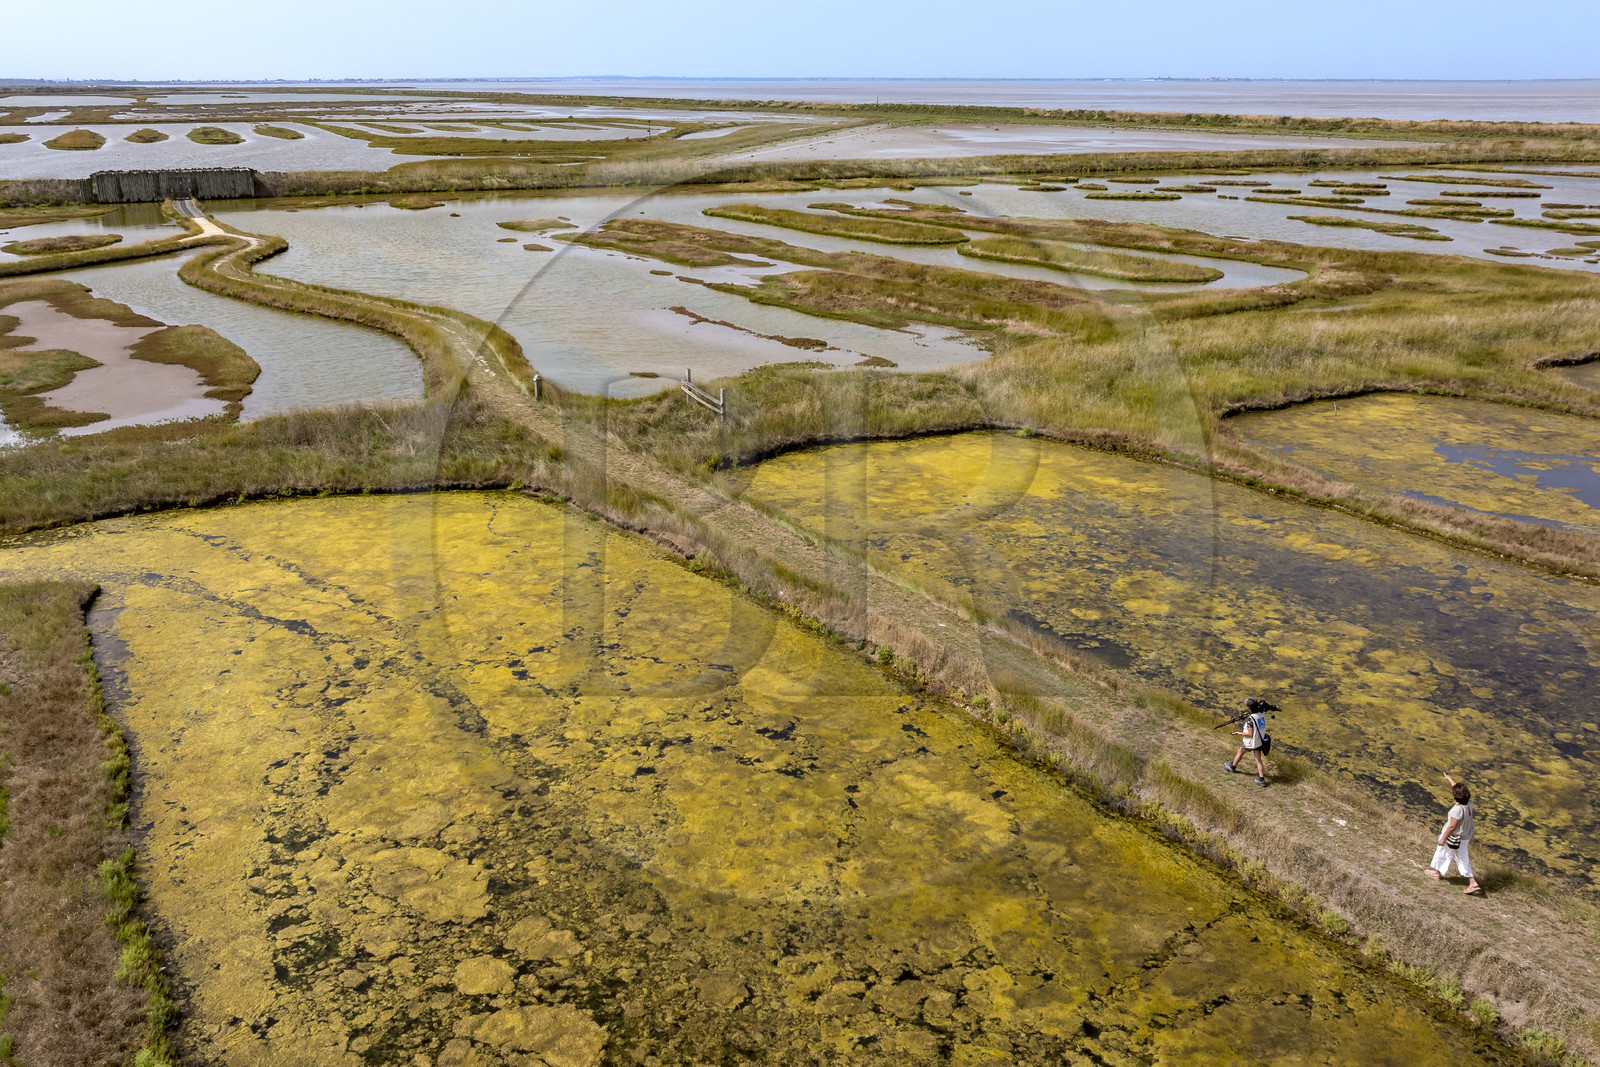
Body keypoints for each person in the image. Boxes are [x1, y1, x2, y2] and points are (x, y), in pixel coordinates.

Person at [1425, 772, 1482, 895]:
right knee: (1455, 855)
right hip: (1465, 837)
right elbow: (1458, 789)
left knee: (1452, 855)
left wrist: (1443, 838)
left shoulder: (1457, 810)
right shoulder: (1469, 804)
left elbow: (1452, 826)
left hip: (1454, 837)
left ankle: (1472, 882)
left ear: (1456, 796)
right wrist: (1449, 779)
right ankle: (1437, 872)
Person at [1223, 697, 1271, 786]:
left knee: (1240, 751)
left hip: (1251, 742)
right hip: (1259, 741)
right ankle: (1261, 779)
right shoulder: (1261, 714)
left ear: (1249, 707)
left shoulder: (1250, 720)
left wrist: (1238, 733)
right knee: (1258, 759)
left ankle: (1232, 767)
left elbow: (1250, 734)